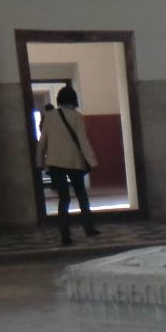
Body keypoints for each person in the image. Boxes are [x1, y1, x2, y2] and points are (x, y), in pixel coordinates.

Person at [36, 85, 101, 245]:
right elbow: (83, 141)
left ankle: (65, 235)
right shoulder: (77, 117)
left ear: (59, 100)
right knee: (81, 196)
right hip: (74, 162)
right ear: (74, 99)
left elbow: (42, 141)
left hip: (55, 163)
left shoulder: (49, 116)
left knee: (63, 199)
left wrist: (40, 162)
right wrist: (92, 161)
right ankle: (89, 228)